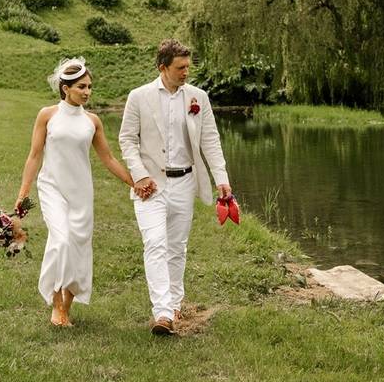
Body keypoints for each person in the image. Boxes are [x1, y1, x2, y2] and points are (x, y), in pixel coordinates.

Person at [119, 39, 232, 336]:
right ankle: (163, 313)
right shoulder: (138, 97)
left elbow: (210, 139)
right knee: (155, 242)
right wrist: (140, 175)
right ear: (163, 67)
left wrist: (221, 178)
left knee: (176, 246)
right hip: (151, 185)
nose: (186, 73)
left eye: (187, 67)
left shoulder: (198, 98)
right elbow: (127, 140)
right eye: (180, 68)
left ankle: (175, 301)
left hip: (184, 182)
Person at [15, 57, 136, 327]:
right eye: (81, 86)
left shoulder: (93, 121)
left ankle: (66, 308)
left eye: (90, 87)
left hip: (81, 191)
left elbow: (109, 159)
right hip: (52, 187)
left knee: (79, 247)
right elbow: (34, 156)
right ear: (65, 88)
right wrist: (23, 192)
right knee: (61, 241)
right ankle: (56, 305)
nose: (87, 92)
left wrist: (134, 182)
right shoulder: (47, 115)